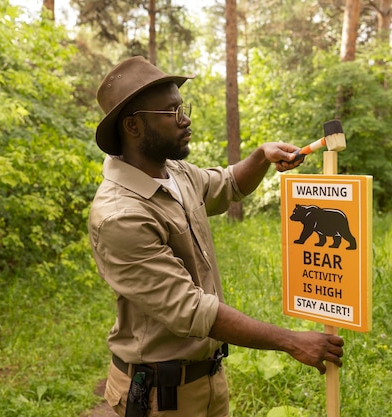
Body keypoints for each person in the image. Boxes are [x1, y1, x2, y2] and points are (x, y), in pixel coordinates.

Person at [88, 56, 344, 417]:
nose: (186, 119)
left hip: (206, 379)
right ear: (133, 126)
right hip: (160, 398)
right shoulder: (120, 215)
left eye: (183, 108)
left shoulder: (174, 172)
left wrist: (261, 156)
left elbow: (227, 184)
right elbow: (190, 309)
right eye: (172, 112)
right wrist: (290, 341)